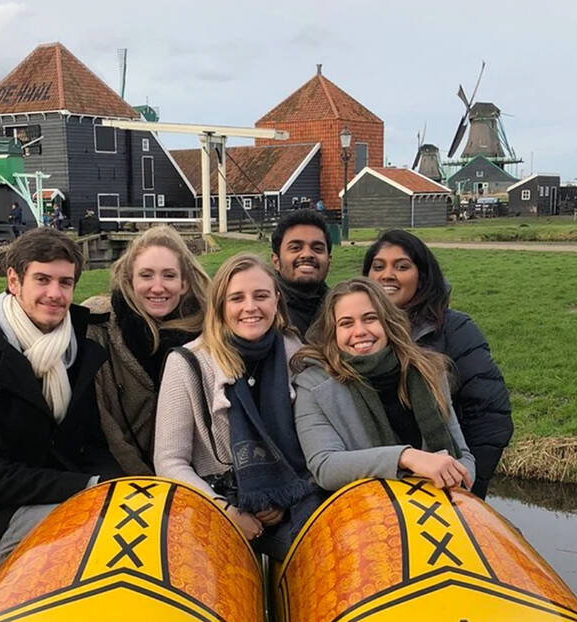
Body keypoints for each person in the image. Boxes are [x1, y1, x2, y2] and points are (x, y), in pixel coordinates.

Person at [0, 229, 121, 568]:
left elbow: (92, 444)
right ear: (14, 280)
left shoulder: (75, 351)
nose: (55, 293)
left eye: (65, 283)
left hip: (71, 493)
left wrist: (112, 485)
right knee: (106, 537)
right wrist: (91, 486)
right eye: (42, 279)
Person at [154, 254, 322, 560]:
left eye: (261, 296)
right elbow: (169, 461)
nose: (250, 307)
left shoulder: (297, 357)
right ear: (220, 307)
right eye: (236, 298)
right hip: (215, 507)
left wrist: (282, 498)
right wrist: (227, 511)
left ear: (276, 300)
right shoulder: (188, 362)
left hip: (293, 504)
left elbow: (316, 446)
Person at [362, 230, 512, 499]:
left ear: (422, 276)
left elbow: (490, 415)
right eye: (378, 266)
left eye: (402, 266)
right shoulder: (356, 335)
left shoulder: (455, 329)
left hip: (445, 486)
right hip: (376, 486)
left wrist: (469, 488)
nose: (387, 275)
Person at [292, 278, 474, 493]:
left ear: (387, 323)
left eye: (370, 318)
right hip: (362, 511)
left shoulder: (428, 370)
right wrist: (405, 457)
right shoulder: (314, 386)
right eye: (346, 323)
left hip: (435, 506)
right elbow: (324, 467)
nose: (359, 331)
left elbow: (462, 455)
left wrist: (458, 478)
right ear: (333, 333)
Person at [84, 226, 210, 475]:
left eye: (169, 276)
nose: (158, 287)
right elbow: (104, 424)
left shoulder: (209, 333)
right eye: (147, 275)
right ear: (130, 280)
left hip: (196, 481)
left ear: (184, 284)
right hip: (123, 480)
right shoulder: (98, 330)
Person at [270, 209, 332, 338]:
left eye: (317, 249)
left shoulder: (340, 308)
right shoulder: (265, 311)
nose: (307, 254)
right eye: (295, 248)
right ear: (276, 261)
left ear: (329, 260)